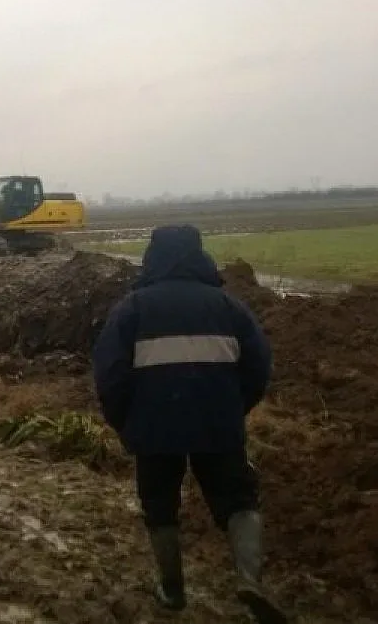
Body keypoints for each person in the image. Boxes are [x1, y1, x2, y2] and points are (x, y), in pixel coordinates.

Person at [91, 224, 285, 623]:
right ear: (199, 255)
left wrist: (124, 422)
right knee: (238, 499)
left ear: (153, 258)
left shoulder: (133, 309)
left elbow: (110, 375)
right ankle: (250, 579)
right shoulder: (229, 307)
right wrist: (235, 409)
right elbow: (259, 367)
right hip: (218, 423)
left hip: (153, 428)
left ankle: (173, 590)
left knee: (160, 504)